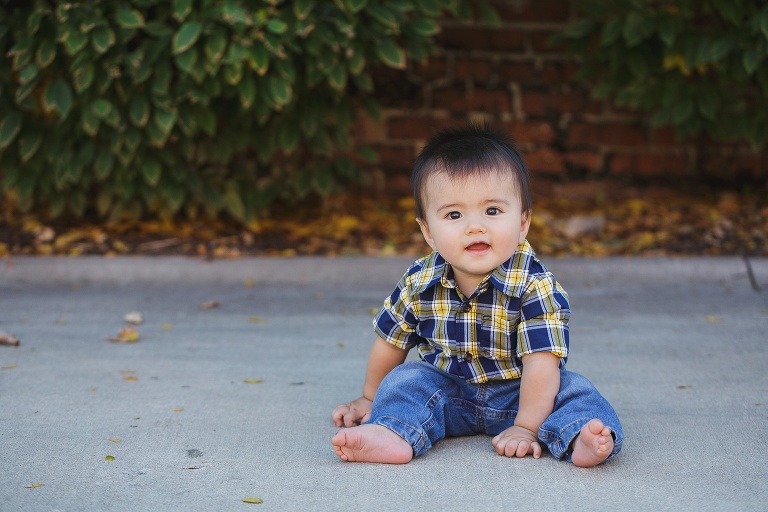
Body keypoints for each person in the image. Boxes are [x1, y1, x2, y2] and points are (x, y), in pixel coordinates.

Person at [331, 125, 623, 467]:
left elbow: (541, 364)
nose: (475, 227)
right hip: (446, 392)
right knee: (405, 381)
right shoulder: (418, 281)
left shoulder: (534, 285)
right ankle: (392, 432)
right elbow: (390, 342)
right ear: (428, 231)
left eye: (492, 211)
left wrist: (526, 428)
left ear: (523, 223)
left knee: (576, 391)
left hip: (520, 393)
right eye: (454, 215)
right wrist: (370, 397)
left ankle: (581, 437)